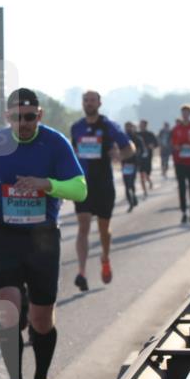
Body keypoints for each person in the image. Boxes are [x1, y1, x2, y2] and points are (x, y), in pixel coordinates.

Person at [0, 88, 88, 379]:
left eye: (30, 117)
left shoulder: (54, 143)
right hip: (6, 236)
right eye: (17, 117)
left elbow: (80, 188)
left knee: (41, 319)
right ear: (7, 117)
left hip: (43, 239)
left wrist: (47, 184)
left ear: (40, 115)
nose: (24, 123)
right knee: (9, 312)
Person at [68, 90, 134, 290]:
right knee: (83, 226)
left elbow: (130, 147)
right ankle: (82, 272)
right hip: (83, 184)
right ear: (82, 103)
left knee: (104, 228)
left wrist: (119, 156)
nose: (88, 103)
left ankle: (105, 257)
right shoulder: (76, 127)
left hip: (104, 184)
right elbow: (73, 152)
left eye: (92, 100)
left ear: (99, 103)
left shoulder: (109, 126)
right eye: (85, 100)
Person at [169, 103, 190, 223]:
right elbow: (173, 144)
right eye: (183, 112)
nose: (185, 114)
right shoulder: (176, 129)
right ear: (181, 114)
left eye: (187, 112)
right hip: (180, 162)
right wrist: (178, 147)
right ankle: (184, 211)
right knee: (182, 187)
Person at [122, 121, 142, 212]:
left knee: (131, 183)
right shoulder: (122, 138)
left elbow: (141, 149)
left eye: (129, 127)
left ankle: (133, 196)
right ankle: (131, 202)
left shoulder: (136, 138)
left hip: (133, 163)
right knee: (126, 185)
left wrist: (135, 154)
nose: (128, 128)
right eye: (126, 127)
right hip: (125, 164)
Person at [136, 119, 157, 195]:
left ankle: (149, 181)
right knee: (141, 173)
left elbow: (156, 143)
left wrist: (152, 146)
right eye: (140, 124)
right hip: (139, 158)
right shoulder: (136, 134)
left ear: (146, 125)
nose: (141, 126)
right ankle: (144, 190)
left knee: (147, 173)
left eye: (143, 125)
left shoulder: (150, 134)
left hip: (148, 157)